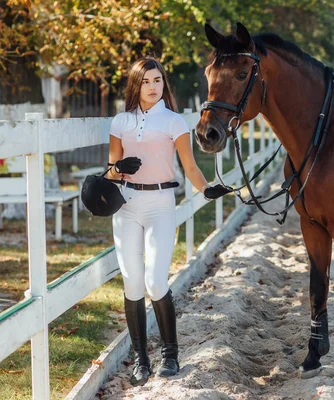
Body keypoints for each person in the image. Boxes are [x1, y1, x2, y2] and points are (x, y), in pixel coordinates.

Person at [107, 56, 228, 386]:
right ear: (136, 85)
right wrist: (119, 169)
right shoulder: (120, 121)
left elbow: (190, 166)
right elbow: (110, 169)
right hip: (127, 204)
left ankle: (170, 355)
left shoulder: (174, 121)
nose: (152, 87)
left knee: (156, 281)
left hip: (161, 203)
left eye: (157, 80)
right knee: (132, 282)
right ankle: (141, 359)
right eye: (146, 81)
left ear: (164, 84)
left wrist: (206, 189)